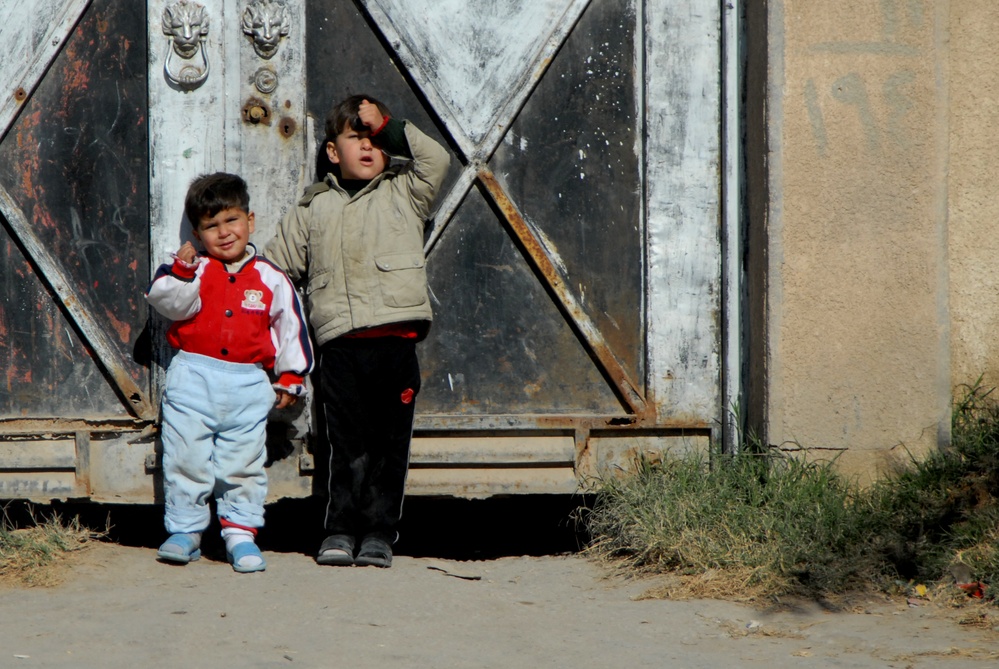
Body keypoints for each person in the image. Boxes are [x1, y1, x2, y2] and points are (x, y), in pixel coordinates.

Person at [266, 94, 449, 568]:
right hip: (340, 349)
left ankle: (379, 534)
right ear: (332, 151)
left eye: (375, 140)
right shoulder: (314, 207)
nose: (368, 147)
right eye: (356, 138)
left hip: (395, 346)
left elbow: (436, 158)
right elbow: (274, 270)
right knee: (344, 445)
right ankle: (339, 530)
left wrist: (387, 125)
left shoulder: (406, 191)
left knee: (389, 447)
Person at [146, 172, 314, 573]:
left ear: (249, 221)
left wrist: (291, 375)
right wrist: (182, 270)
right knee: (185, 457)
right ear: (197, 234)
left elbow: (290, 326)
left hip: (247, 383)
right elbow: (168, 303)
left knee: (242, 462)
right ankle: (185, 531)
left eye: (232, 220)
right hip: (193, 378)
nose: (224, 233)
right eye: (211, 226)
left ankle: (240, 534)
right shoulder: (193, 269)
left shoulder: (271, 277)